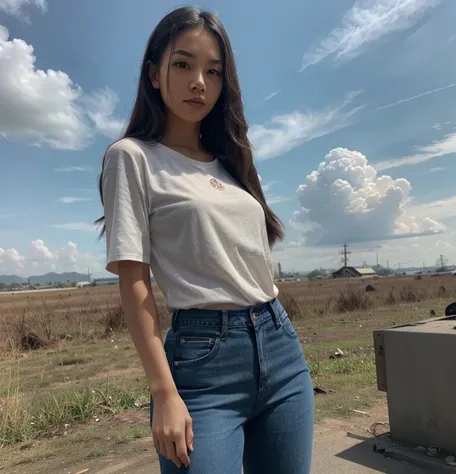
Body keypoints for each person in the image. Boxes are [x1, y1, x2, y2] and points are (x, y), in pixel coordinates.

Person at [97, 6, 314, 473]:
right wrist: (163, 392)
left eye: (213, 71)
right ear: (154, 74)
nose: (199, 82)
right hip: (202, 362)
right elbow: (134, 282)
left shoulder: (230, 161)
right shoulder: (131, 158)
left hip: (280, 346)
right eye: (183, 64)